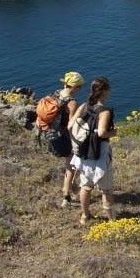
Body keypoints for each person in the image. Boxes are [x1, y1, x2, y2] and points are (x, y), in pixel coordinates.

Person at [68, 77, 117, 225]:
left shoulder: (84, 106)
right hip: (99, 153)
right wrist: (114, 133)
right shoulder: (104, 111)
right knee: (106, 190)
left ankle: (85, 216)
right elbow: (102, 133)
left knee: (86, 186)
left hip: (83, 152)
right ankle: (112, 221)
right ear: (106, 91)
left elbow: (70, 125)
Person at [50, 72, 83, 208]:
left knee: (69, 164)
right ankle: (66, 197)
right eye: (80, 87)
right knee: (71, 165)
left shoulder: (55, 93)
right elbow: (71, 125)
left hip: (51, 135)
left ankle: (69, 190)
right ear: (75, 87)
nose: (80, 90)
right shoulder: (72, 102)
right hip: (64, 137)